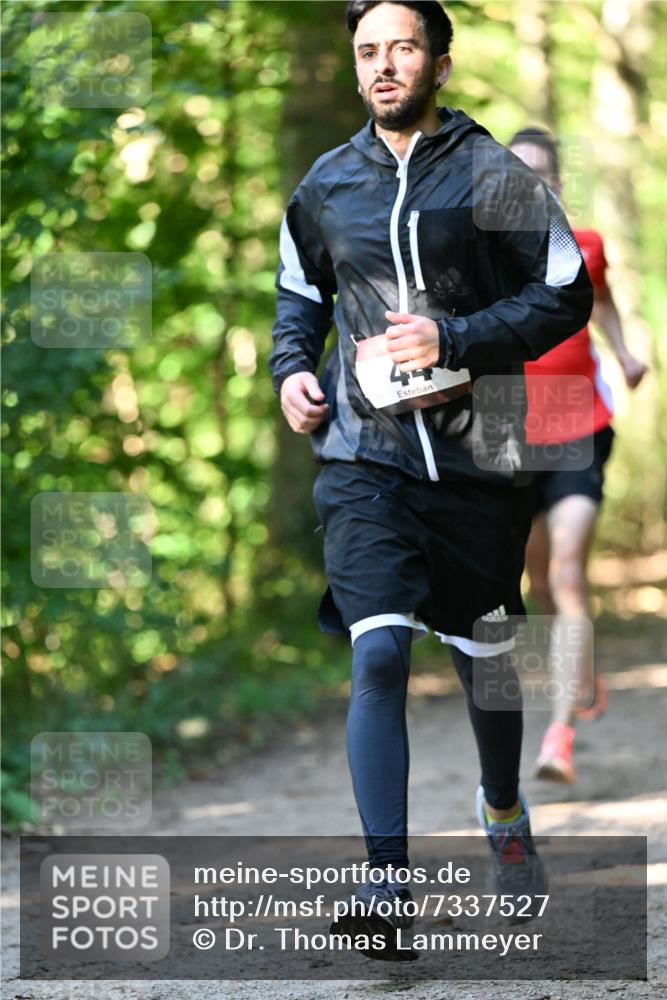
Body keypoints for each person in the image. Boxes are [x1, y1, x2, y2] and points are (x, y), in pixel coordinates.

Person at [270, 1, 592, 959]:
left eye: (401, 48)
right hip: (364, 461)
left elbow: (564, 290)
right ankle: (387, 886)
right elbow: (298, 293)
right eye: (368, 51)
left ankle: (501, 809)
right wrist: (292, 366)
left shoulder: (492, 175)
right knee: (376, 654)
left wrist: (456, 337)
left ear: (439, 64)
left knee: (487, 665)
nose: (382, 66)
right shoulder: (326, 184)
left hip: (478, 459)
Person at [509, 127, 648, 785]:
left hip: (579, 426)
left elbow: (604, 303)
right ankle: (580, 667)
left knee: (565, 572)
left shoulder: (584, 246)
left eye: (537, 175)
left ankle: (557, 735)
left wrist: (622, 352)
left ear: (557, 184)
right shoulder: (485, 257)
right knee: (537, 582)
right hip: (508, 436)